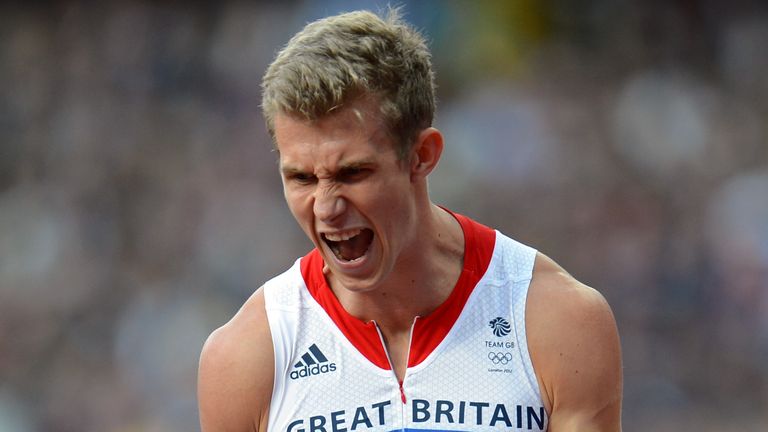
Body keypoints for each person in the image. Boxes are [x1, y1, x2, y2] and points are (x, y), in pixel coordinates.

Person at [198, 8, 622, 432]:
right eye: (302, 178)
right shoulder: (246, 356)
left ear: (422, 156)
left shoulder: (556, 321)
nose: (326, 207)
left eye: (353, 173)